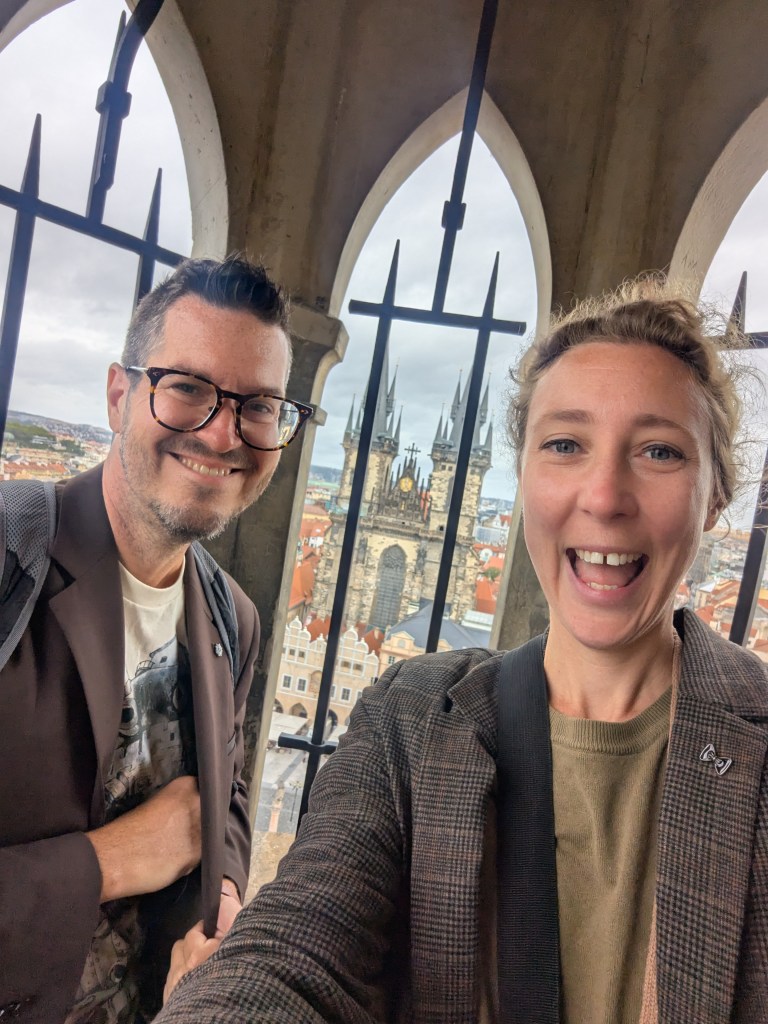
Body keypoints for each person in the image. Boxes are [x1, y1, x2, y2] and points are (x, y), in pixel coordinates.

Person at [157, 279, 768, 1024]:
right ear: (523, 478)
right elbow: (292, 952)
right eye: (566, 444)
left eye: (660, 450)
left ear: (715, 496)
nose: (604, 496)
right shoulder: (411, 722)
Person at [0, 255, 313, 1023]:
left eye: (259, 406)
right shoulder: (9, 552)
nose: (221, 433)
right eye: (187, 389)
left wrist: (226, 896)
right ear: (119, 394)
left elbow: (228, 793)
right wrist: (107, 862)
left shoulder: (231, 615)